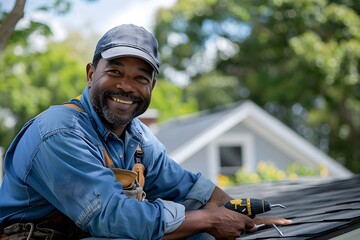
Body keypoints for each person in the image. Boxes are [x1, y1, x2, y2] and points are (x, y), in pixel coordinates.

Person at [0, 24, 291, 239]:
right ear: (91, 75)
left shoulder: (137, 138)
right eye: (115, 72)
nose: (126, 86)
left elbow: (190, 190)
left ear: (151, 87)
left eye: (140, 77)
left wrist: (241, 218)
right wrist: (208, 220)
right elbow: (109, 216)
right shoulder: (60, 131)